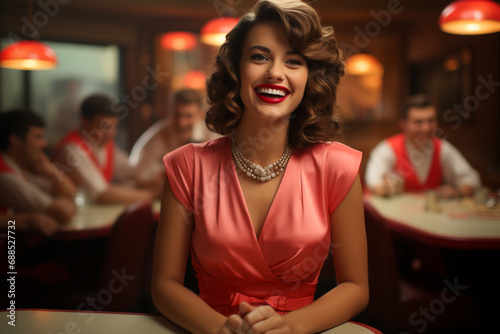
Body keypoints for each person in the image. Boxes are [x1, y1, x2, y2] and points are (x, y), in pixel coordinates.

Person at [151, 1, 368, 333]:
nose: (275, 72)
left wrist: (289, 328)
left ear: (310, 78)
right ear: (237, 70)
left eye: (293, 61)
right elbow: (164, 285)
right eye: (260, 56)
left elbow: (355, 287)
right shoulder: (187, 166)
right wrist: (224, 330)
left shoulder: (337, 167)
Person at [365, 94, 481, 198]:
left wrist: (458, 191)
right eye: (418, 122)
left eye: (430, 121)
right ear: (403, 124)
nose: (426, 128)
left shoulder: (443, 148)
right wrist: (383, 188)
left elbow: (472, 179)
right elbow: (373, 183)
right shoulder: (387, 148)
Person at [52, 94, 160, 204]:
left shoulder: (104, 144)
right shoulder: (72, 149)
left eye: (114, 126)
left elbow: (133, 172)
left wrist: (157, 177)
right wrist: (153, 193)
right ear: (85, 121)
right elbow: (101, 194)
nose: (112, 133)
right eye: (105, 127)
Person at [0, 110, 76, 225]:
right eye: (38, 137)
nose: (44, 144)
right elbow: (63, 212)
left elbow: (70, 192)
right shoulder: (5, 175)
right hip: (11, 243)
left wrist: (52, 173)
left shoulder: (23, 166)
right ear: (15, 140)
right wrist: (64, 201)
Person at [129, 89, 211, 185]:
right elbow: (140, 176)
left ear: (200, 115)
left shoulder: (212, 135)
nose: (182, 123)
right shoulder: (158, 135)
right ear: (169, 112)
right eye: (177, 115)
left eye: (188, 116)